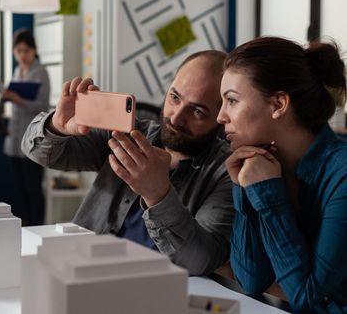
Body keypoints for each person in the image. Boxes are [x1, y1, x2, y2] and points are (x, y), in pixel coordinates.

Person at [22, 51, 234, 275]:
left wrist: (158, 195)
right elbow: (36, 152)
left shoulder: (227, 172)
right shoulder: (128, 133)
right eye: (175, 97)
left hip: (155, 293)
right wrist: (57, 126)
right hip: (81, 273)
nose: (176, 117)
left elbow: (200, 261)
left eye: (198, 111)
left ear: (221, 117)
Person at [217, 36, 347, 313]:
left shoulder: (342, 174)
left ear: (278, 105)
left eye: (231, 101)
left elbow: (306, 296)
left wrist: (267, 194)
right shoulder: (264, 165)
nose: (221, 116)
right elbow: (250, 280)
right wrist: (244, 190)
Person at [3, 28, 50, 226]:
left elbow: (42, 106)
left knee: (33, 187)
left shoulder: (40, 72)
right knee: (19, 188)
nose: (22, 55)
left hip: (33, 138)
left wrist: (16, 98)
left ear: (34, 50)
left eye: (26, 51)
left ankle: (37, 227)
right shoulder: (16, 71)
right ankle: (23, 227)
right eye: (18, 51)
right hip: (15, 136)